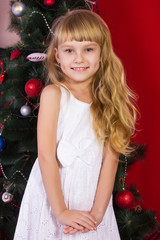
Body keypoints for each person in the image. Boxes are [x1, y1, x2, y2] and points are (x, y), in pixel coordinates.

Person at [14, 9, 137, 239]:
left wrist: (98, 214)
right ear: (58, 56)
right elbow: (46, 156)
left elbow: (110, 161)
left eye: (88, 49)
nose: (79, 58)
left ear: (101, 55)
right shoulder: (54, 94)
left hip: (92, 202)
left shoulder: (108, 101)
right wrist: (61, 212)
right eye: (70, 50)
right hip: (54, 202)